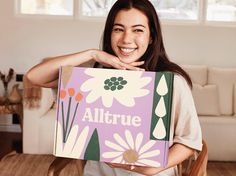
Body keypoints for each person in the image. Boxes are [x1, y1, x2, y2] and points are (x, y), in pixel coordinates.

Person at [26, 0, 202, 175]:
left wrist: (154, 168)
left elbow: (190, 140)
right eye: (118, 29)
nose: (126, 39)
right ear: (110, 33)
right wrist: (92, 53)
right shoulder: (94, 73)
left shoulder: (170, 81)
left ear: (151, 37)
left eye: (138, 30)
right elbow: (34, 76)